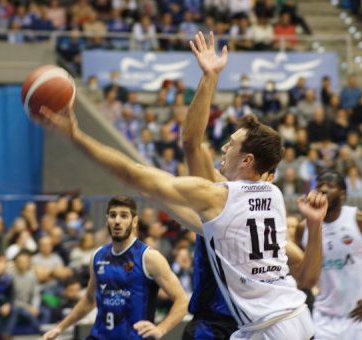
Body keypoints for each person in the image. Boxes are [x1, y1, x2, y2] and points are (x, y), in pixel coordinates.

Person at [37, 31, 324, 339]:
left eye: (231, 145)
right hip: (286, 320)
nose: (224, 150)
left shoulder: (218, 198)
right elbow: (306, 275)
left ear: (247, 160)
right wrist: (315, 225)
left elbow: (168, 155)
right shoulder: (274, 197)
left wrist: (76, 137)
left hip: (269, 328)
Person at [177, 31, 327, 339]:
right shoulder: (222, 195)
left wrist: (209, 77)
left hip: (246, 324)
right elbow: (194, 145)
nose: (224, 150)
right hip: (226, 324)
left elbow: (192, 143)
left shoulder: (264, 227)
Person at [43, 196, 188, 339]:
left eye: (124, 216)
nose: (117, 221)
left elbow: (182, 300)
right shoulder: (98, 256)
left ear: (134, 221)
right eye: (113, 215)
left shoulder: (149, 257)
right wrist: (60, 327)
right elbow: (89, 300)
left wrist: (161, 329)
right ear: (107, 220)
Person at [297, 170, 362, 340]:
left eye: (330, 186)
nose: (324, 189)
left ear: (343, 195)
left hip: (360, 313)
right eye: (319, 186)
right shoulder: (304, 228)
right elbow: (299, 275)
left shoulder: (361, 221)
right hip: (323, 315)